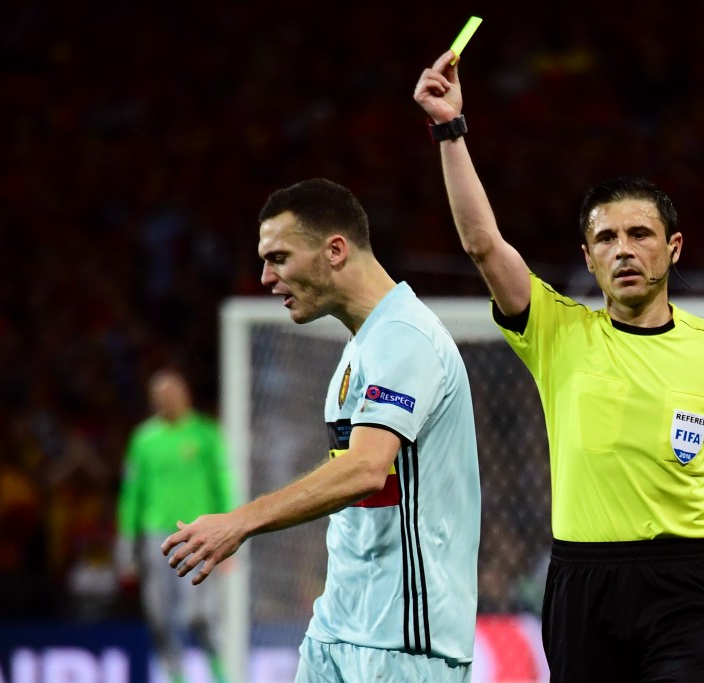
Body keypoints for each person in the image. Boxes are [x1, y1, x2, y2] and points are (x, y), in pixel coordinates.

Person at [414, 50, 704, 681]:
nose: (624, 249)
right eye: (606, 239)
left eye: (640, 234)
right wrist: (448, 129)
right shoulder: (557, 331)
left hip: (687, 584)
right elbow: (482, 242)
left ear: (673, 248)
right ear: (589, 258)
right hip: (583, 584)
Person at [161, 178, 481, 683]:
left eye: (279, 257)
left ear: (335, 250)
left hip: (401, 641)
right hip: (339, 627)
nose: (266, 277)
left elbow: (366, 470)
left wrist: (242, 520)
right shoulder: (361, 345)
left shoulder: (406, 339)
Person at [116, 368, 234, 683]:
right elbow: (131, 494)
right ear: (153, 401)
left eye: (173, 394)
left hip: (197, 534)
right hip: (156, 536)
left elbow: (222, 485)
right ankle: (175, 675)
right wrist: (126, 544)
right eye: (161, 396)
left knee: (198, 615)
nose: (167, 401)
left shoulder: (206, 434)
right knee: (159, 615)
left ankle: (220, 672)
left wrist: (231, 535)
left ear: (186, 396)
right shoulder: (144, 440)